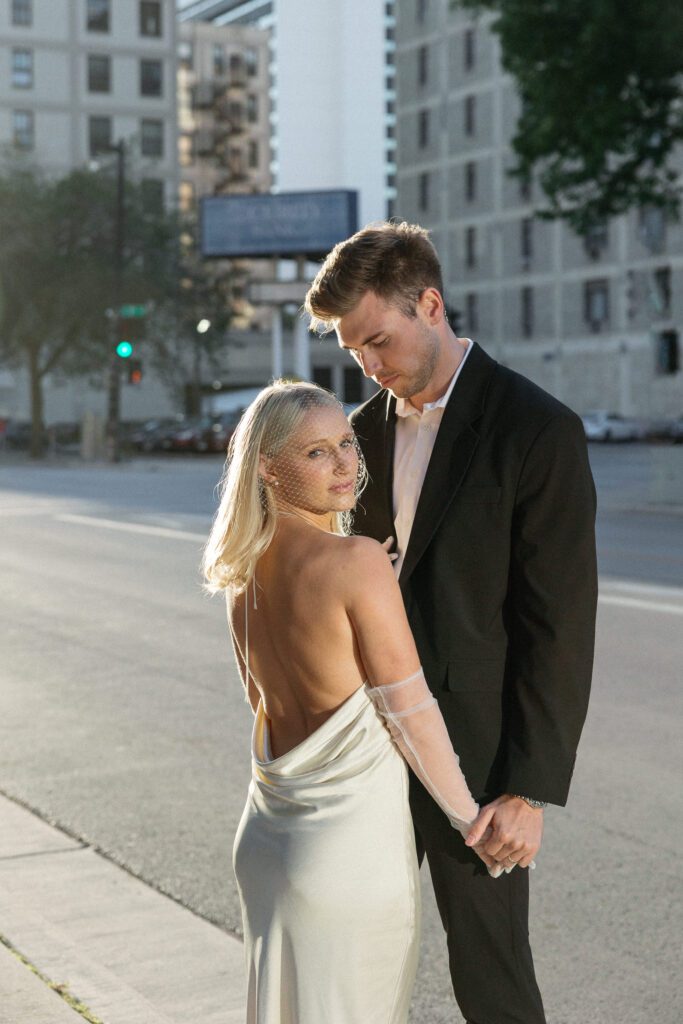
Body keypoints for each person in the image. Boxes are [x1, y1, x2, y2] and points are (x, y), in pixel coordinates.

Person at [304, 221, 598, 1024]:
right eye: (353, 350)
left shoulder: (538, 430)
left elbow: (558, 625)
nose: (367, 365)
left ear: (429, 304)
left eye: (376, 341)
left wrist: (527, 790)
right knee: (352, 955)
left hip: (472, 763)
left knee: (490, 974)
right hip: (360, 750)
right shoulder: (356, 436)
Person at [202, 381, 500, 1024]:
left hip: (266, 843)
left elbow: (264, 699)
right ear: (265, 467)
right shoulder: (358, 563)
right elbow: (410, 709)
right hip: (347, 858)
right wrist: (467, 818)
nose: (345, 465)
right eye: (316, 453)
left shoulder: (239, 575)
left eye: (347, 444)